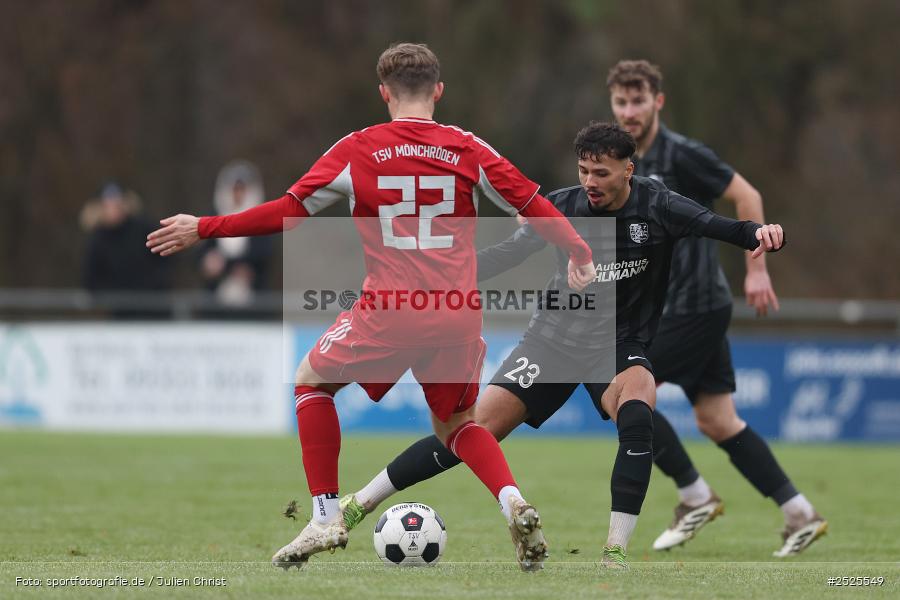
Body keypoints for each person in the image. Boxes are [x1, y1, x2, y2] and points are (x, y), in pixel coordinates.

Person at [146, 42, 596, 572]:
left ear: (384, 93)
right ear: (438, 91)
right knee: (457, 425)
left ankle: (324, 517)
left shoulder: (358, 148)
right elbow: (534, 205)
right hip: (457, 311)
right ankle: (512, 501)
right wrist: (579, 251)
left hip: (391, 309)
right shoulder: (468, 148)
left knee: (311, 382)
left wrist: (206, 227)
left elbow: (289, 211)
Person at [337, 121, 786, 570]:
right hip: (551, 343)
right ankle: (359, 502)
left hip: (617, 345)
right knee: (468, 432)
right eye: (584, 171)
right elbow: (510, 253)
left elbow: (713, 224)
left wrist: (758, 234)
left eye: (602, 173)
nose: (590, 181)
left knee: (638, 415)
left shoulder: (658, 204)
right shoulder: (563, 206)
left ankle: (614, 552)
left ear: (628, 170)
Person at [606, 59, 825, 557]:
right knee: (718, 420)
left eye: (638, 101)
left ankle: (695, 495)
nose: (629, 111)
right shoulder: (618, 161)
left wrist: (757, 270)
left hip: (693, 306)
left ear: (658, 102)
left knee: (621, 392)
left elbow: (747, 195)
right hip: (675, 308)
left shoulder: (683, 155)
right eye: (621, 101)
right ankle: (800, 513)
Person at [82, 182, 171, 314]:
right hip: (120, 310)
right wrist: (112, 293)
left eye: (116, 204)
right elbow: (90, 278)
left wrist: (156, 283)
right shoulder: (97, 239)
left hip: (153, 305)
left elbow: (167, 254)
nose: (113, 209)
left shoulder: (143, 228)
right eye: (108, 205)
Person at [199, 161, 273, 307]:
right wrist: (208, 261)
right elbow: (201, 250)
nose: (238, 194)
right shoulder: (214, 215)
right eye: (235, 189)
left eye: (242, 189)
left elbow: (266, 252)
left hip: (253, 294)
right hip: (216, 294)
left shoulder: (262, 216)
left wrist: (246, 267)